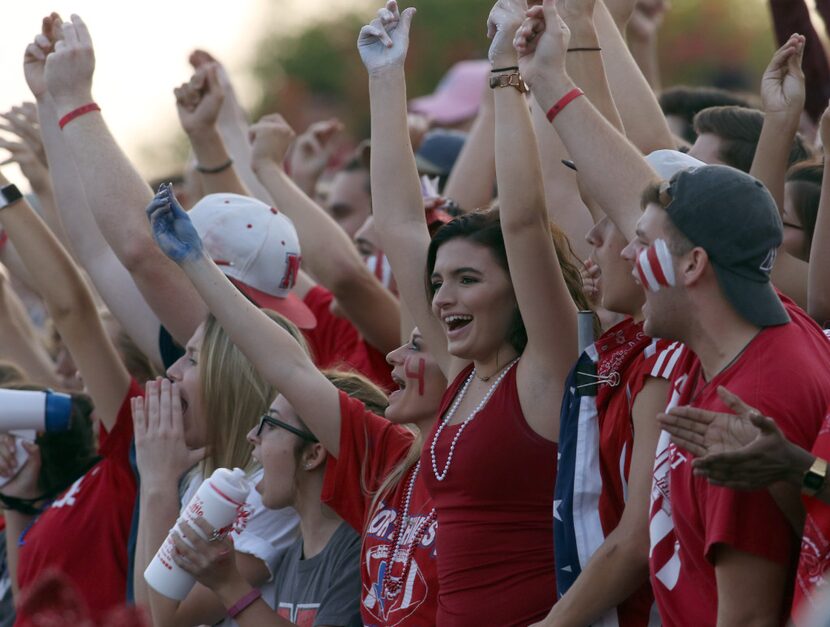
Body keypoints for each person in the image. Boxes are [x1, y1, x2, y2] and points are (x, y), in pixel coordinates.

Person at [514, 2, 830, 623]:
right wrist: (550, 75)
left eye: (643, 242)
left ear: (693, 267)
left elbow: (745, 617)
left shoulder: (755, 393)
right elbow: (625, 181)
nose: (626, 253)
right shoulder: (723, 338)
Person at [362, 1, 590, 623]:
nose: (441, 299)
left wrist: (506, 77)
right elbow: (401, 224)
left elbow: (520, 220)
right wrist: (386, 78)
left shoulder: (549, 365)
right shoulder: (462, 372)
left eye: (467, 279)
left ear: (519, 288)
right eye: (438, 283)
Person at [144, 177, 449, 624]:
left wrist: (230, 586)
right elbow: (289, 369)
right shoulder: (390, 467)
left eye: (419, 347)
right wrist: (195, 262)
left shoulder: (480, 449)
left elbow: (291, 366)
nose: (394, 355)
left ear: (316, 451)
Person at [0, 172, 142, 623]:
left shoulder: (127, 462)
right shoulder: (73, 478)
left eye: (79, 359)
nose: (65, 370)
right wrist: (18, 498)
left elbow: (73, 310)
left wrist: (9, 193)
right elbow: (30, 603)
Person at [156, 371, 384, 626]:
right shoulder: (294, 555)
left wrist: (228, 584)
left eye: (271, 424)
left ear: (313, 454)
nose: (252, 435)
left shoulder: (362, 553)